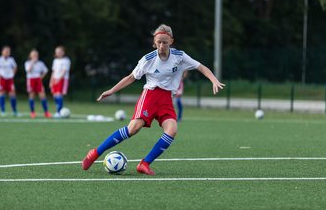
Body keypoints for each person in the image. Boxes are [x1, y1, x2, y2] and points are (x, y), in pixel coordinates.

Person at [82, 24, 225, 175]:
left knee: (172, 130)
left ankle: (144, 164)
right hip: (150, 96)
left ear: (171, 41)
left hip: (167, 99)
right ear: (154, 43)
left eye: (165, 42)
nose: (162, 45)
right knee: (133, 128)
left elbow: (201, 67)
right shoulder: (148, 59)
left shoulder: (180, 56)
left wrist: (213, 79)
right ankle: (95, 153)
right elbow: (131, 77)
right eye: (159, 42)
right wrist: (111, 91)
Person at [0, 46, 20, 117]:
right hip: (1, 79)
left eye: (8, 51)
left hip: (10, 79)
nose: (7, 52)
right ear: (2, 52)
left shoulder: (11, 59)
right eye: (6, 51)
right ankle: (3, 111)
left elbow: (15, 67)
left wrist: (13, 74)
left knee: (13, 94)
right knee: (2, 93)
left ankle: (14, 111)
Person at [25, 49, 52, 118]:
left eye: (36, 55)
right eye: (33, 55)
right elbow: (28, 71)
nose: (35, 56)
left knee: (42, 96)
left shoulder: (40, 63)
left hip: (38, 80)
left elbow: (46, 70)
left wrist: (41, 77)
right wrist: (32, 63)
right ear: (30, 56)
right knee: (31, 96)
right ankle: (32, 112)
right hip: (31, 80)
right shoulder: (27, 63)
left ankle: (46, 112)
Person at [49, 46, 71, 118]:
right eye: (57, 52)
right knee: (55, 95)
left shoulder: (66, 60)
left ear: (63, 52)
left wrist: (59, 79)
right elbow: (54, 71)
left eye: (59, 52)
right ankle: (58, 111)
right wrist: (51, 81)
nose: (58, 53)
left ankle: (59, 112)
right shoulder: (55, 61)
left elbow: (64, 71)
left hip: (63, 79)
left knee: (59, 94)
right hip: (55, 79)